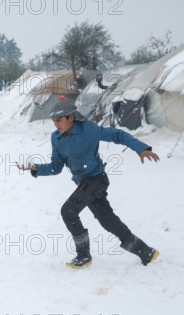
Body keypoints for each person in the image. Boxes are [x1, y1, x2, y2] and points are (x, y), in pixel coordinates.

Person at [18, 100, 161, 268]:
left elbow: (118, 135)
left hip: (96, 180)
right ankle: (145, 252)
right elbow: (56, 167)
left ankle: (83, 255)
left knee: (68, 211)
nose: (56, 124)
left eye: (59, 120)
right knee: (107, 221)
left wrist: (141, 148)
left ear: (71, 117)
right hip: (82, 184)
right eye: (54, 121)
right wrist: (36, 168)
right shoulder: (56, 138)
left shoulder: (88, 129)